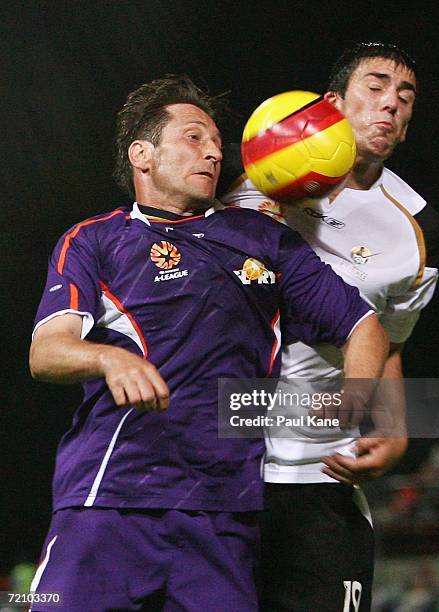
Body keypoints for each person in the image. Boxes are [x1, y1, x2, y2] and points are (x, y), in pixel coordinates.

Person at [28, 76, 389, 611]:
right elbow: (46, 351)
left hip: (223, 516)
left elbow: (364, 326)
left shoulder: (263, 239)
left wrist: (359, 405)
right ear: (142, 155)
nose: (215, 151)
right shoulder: (93, 240)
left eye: (218, 141)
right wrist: (107, 357)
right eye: (195, 137)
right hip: (109, 500)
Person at [221, 42, 439, 611]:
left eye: (404, 96)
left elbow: (392, 343)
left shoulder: (417, 229)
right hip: (218, 461)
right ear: (331, 104)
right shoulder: (240, 179)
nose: (390, 104)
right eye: (374, 87)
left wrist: (394, 429)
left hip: (319, 474)